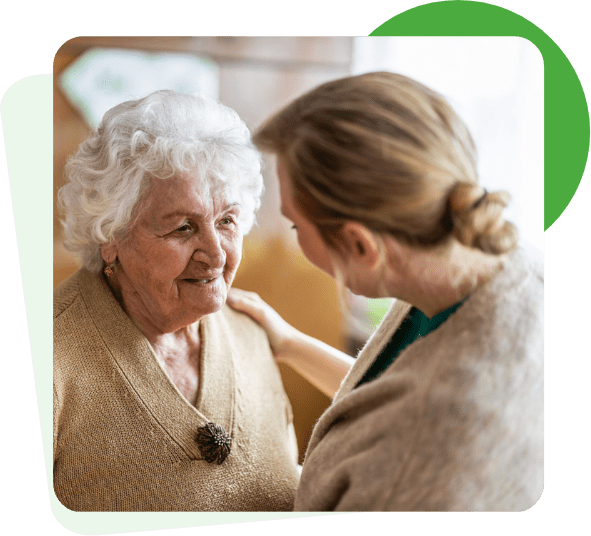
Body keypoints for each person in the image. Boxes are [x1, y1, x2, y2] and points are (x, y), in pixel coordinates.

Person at [227, 72, 544, 512]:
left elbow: (411, 423)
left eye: (297, 225)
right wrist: (290, 344)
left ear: (360, 244)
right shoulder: (493, 265)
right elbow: (390, 396)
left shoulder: (424, 457)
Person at [53, 90, 300, 512]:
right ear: (111, 237)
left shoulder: (252, 333)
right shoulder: (48, 356)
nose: (217, 254)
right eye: (183, 228)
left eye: (227, 221)